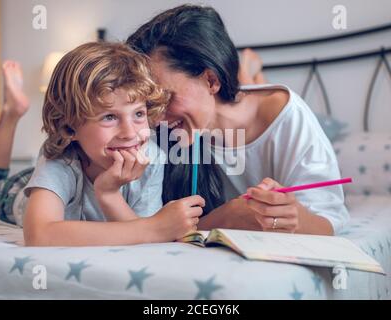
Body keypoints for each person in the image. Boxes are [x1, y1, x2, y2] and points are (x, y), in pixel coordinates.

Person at [127, 4, 349, 235]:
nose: (156, 118)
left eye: (166, 97)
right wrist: (222, 217)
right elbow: (155, 227)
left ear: (211, 80)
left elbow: (329, 222)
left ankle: (251, 73)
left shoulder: (288, 117)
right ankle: (249, 74)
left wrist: (296, 218)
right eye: (150, 103)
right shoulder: (162, 133)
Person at [0, 42, 204, 246]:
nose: (130, 133)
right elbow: (39, 235)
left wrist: (109, 194)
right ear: (70, 126)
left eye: (138, 113)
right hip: (17, 192)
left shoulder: (152, 157)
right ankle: (12, 112)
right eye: (109, 117)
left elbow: (142, 237)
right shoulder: (61, 157)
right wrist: (155, 228)